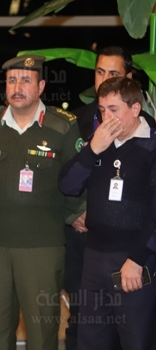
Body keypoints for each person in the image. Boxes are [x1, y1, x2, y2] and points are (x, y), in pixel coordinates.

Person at [0, 55, 83, 350]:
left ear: (42, 86)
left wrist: (71, 214)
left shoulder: (62, 126)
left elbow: (77, 179)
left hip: (42, 247)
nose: (17, 87)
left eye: (25, 80)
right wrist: (9, 203)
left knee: (42, 334)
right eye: (11, 80)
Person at [66, 46, 155, 350]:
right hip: (94, 257)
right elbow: (67, 185)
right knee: (91, 340)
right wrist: (93, 150)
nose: (107, 117)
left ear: (135, 109)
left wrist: (138, 258)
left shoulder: (151, 145)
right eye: (102, 110)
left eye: (114, 109)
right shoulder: (99, 142)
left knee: (135, 340)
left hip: (134, 259)